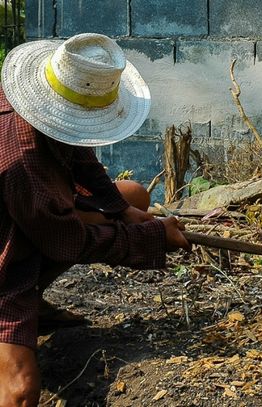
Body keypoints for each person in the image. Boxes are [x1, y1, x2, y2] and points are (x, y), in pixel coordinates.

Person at [0, 33, 191, 406]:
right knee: (20, 391)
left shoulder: (31, 96)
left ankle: (34, 302)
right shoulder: (24, 164)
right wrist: (153, 237)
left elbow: (78, 152)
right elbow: (70, 241)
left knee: (132, 195)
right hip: (6, 267)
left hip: (21, 222)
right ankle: (19, 309)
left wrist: (123, 211)